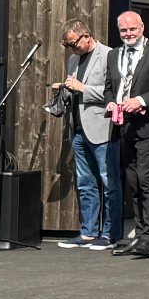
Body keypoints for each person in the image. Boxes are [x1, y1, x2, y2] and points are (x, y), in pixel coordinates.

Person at [105, 11, 149, 259]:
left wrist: (141, 100)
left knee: (147, 181)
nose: (128, 34)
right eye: (124, 31)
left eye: (132, 30)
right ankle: (139, 235)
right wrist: (111, 103)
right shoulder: (114, 54)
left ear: (142, 27)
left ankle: (148, 239)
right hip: (124, 128)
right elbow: (109, 88)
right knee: (133, 183)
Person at [59, 20, 120, 250]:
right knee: (85, 183)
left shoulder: (108, 55)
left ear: (87, 36)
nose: (71, 49)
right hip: (79, 129)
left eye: (73, 44)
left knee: (109, 181)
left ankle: (109, 234)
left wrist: (82, 89)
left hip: (102, 128)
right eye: (67, 45)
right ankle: (88, 232)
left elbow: (114, 93)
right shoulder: (74, 59)